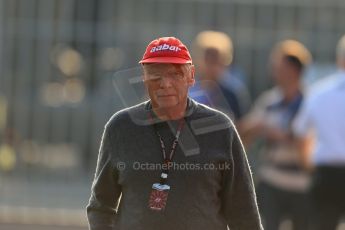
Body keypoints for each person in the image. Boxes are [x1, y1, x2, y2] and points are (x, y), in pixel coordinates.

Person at [86, 37, 263, 230]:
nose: (165, 83)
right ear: (144, 77)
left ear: (191, 76)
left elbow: (244, 214)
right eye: (155, 75)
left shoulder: (220, 128)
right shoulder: (120, 127)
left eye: (175, 74)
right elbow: (101, 206)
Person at [239, 40, 312, 230]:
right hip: (271, 181)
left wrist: (274, 132)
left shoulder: (311, 103)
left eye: (279, 67)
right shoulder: (269, 101)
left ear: (294, 70)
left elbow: (308, 140)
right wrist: (251, 128)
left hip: (302, 185)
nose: (274, 72)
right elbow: (244, 133)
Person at [292, 35, 345, 230]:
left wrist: (308, 167)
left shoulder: (319, 92)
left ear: (340, 59)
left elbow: (300, 133)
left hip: (326, 175)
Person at [189, 31, 251, 121]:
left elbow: (242, 125)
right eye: (208, 59)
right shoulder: (188, 90)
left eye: (216, 60)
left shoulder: (233, 93)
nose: (212, 66)